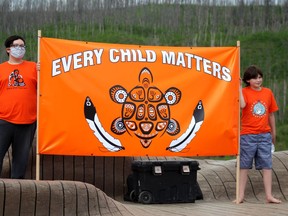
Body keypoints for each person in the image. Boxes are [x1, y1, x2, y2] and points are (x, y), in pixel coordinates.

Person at [238, 65, 281, 204]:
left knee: (267, 165)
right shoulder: (244, 91)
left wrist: (273, 133)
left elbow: (271, 114)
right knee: (244, 165)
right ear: (248, 80)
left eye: (260, 77)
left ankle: (269, 195)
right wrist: (238, 87)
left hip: (264, 135)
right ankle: (240, 195)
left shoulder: (268, 92)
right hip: (248, 135)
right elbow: (243, 105)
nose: (258, 80)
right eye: (254, 78)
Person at [0, 35, 37, 179]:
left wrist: (44, 68)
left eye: (22, 46)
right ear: (8, 49)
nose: (20, 49)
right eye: (16, 46)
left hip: (27, 122)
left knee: (20, 162)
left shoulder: (34, 67)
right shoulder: (1, 69)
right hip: (3, 120)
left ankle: (17, 193)